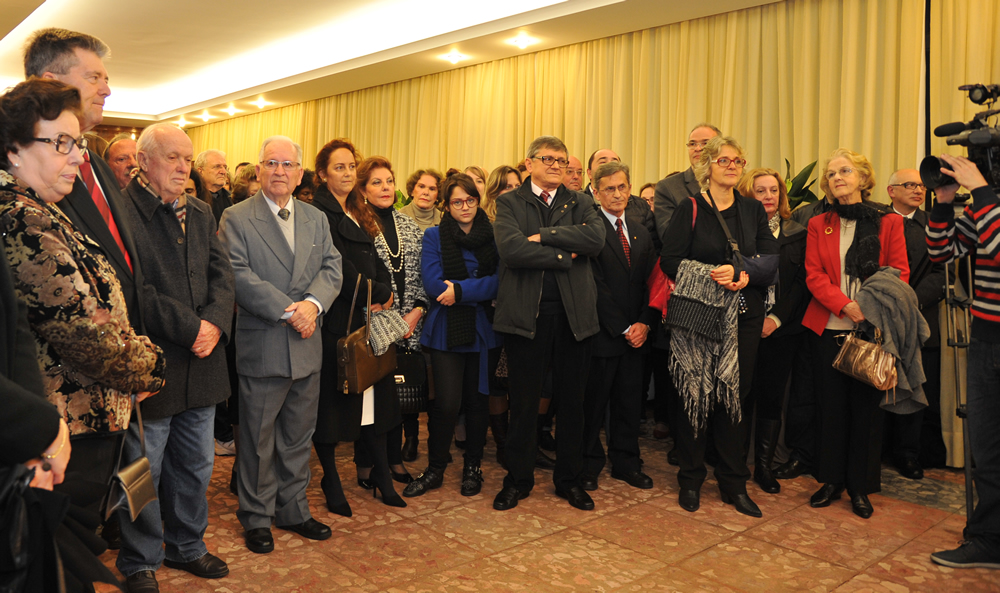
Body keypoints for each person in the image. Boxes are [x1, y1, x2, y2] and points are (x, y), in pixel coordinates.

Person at [0, 77, 165, 591]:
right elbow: (82, 330)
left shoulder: (44, 209)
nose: (76, 157)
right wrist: (153, 363)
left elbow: (100, 313)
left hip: (86, 420)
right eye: (61, 143)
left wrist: (111, 330)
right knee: (56, 567)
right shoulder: (19, 219)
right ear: (13, 149)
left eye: (79, 144)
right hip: (63, 431)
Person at [116, 123, 235, 590]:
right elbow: (134, 291)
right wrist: (194, 328)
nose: (183, 167)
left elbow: (223, 276)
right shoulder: (123, 215)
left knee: (196, 465)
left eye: (188, 159)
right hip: (156, 365)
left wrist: (216, 323)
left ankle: (187, 546)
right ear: (143, 161)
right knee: (145, 469)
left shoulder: (202, 211)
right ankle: (139, 560)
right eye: (172, 157)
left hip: (204, 363)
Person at [218, 135, 342, 554]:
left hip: (308, 345)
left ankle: (293, 509)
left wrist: (312, 305)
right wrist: (291, 311)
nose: (279, 172)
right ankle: (256, 516)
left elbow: (331, 267)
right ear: (258, 170)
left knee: (297, 436)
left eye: (288, 165)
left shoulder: (315, 218)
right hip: (267, 340)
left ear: (300, 174)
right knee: (256, 437)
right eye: (271, 163)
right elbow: (237, 273)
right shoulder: (236, 218)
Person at [660, 136, 778, 518]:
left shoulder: (752, 209)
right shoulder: (690, 207)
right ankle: (690, 480)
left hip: (744, 316)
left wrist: (743, 272)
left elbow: (771, 260)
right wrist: (712, 275)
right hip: (700, 316)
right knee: (695, 393)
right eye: (724, 160)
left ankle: (733, 483)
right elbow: (670, 261)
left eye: (738, 160)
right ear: (706, 166)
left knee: (733, 399)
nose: (732, 166)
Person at [492, 135, 605, 512]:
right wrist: (565, 254)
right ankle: (518, 480)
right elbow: (512, 250)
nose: (556, 165)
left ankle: (569, 480)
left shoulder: (582, 201)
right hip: (527, 319)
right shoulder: (509, 202)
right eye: (548, 159)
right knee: (523, 405)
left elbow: (596, 238)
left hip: (575, 320)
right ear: (529, 164)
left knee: (573, 404)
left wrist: (544, 237)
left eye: (561, 160)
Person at [802, 148, 908, 519]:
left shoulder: (888, 222)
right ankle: (830, 480)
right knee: (830, 409)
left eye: (844, 171)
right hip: (829, 325)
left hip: (872, 329)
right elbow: (813, 274)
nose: (837, 178)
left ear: (863, 177)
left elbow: (899, 272)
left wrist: (868, 307)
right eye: (831, 174)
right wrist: (844, 305)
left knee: (865, 411)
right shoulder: (820, 223)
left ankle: (859, 487)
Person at [310, 141, 405, 516]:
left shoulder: (356, 207)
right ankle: (330, 478)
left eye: (351, 167)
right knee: (333, 410)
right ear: (322, 174)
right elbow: (338, 266)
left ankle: (381, 476)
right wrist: (376, 292)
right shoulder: (319, 212)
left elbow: (375, 257)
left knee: (374, 405)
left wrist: (385, 292)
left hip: (369, 319)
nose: (348, 174)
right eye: (339, 168)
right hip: (339, 321)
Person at [403, 172, 501, 497]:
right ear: (447, 205)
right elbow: (432, 284)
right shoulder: (434, 235)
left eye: (470, 200)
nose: (464, 207)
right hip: (447, 330)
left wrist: (459, 290)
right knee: (446, 404)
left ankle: (473, 467)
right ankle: (435, 469)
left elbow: (498, 282)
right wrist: (475, 290)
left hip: (483, 330)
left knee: (477, 403)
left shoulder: (494, 234)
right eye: (457, 201)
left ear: (478, 200)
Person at [927, 154, 1000, 569]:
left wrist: (983, 192)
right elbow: (942, 252)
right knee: (988, 450)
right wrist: (943, 200)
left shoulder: (988, 201)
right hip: (986, 336)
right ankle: (989, 540)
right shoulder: (985, 205)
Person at [581, 161, 657, 491]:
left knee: (629, 404)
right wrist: (624, 327)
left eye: (623, 186)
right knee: (593, 405)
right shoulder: (590, 229)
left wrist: (644, 322)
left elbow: (652, 282)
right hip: (602, 335)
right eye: (609, 188)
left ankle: (626, 462)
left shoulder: (640, 231)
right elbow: (593, 286)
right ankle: (588, 464)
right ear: (595, 193)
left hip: (637, 337)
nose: (617, 194)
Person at [737, 168, 809, 494]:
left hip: (782, 329)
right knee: (740, 394)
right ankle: (735, 463)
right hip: (741, 325)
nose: (768, 196)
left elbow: (801, 283)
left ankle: (763, 467)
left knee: (771, 396)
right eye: (760, 191)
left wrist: (776, 318)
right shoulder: (738, 232)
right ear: (747, 195)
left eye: (773, 191)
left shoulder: (797, 233)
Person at [365, 157, 428, 489]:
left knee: (393, 403)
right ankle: (368, 465)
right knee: (368, 404)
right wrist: (388, 321)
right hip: (372, 328)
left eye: (389, 181)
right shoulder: (357, 224)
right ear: (363, 189)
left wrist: (416, 312)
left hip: (409, 327)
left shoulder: (408, 225)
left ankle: (393, 461)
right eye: (376, 182)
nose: (385, 187)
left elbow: (421, 275)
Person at [884, 169, 945, 480]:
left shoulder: (934, 224)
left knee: (918, 388)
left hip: (921, 317)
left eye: (921, 185)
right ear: (891, 191)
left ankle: (909, 453)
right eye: (910, 185)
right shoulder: (876, 221)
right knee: (881, 382)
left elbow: (943, 274)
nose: (919, 190)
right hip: (880, 316)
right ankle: (879, 449)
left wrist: (911, 301)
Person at [654, 123, 720, 239]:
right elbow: (669, 235)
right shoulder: (668, 187)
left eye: (705, 143)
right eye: (692, 144)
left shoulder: (735, 185)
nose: (698, 148)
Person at [195, 149, 231, 222]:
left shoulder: (233, 198)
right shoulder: (193, 198)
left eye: (225, 167)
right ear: (200, 171)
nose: (223, 172)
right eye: (217, 166)